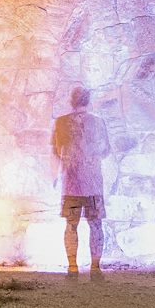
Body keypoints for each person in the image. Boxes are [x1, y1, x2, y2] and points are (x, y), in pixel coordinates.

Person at [52, 87, 111, 277]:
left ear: (72, 100)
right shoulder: (98, 122)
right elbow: (105, 150)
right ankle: (95, 267)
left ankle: (72, 266)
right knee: (95, 224)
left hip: (71, 183)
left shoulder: (61, 122)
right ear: (88, 100)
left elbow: (57, 148)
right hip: (93, 184)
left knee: (71, 224)